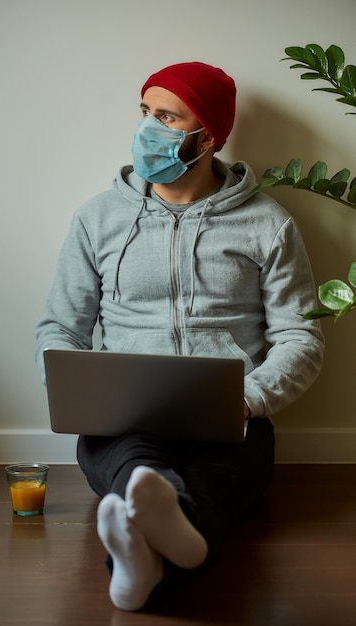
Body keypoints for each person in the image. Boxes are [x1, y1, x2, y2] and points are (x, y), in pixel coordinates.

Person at [35, 61, 324, 611]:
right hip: (122, 423)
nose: (148, 127)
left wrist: (250, 400)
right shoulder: (97, 219)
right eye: (144, 111)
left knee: (209, 481)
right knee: (138, 467)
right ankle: (164, 532)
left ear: (208, 136)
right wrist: (73, 391)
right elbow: (60, 326)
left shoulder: (269, 224)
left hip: (232, 423)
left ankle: (135, 561)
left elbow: (300, 338)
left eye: (167, 116)